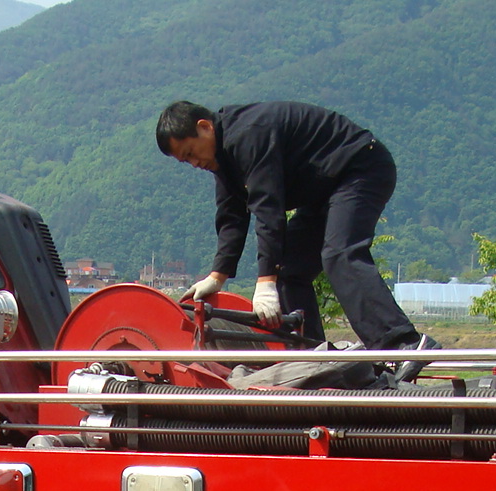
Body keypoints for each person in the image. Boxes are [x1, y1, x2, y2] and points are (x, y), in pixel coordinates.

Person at [157, 98, 438, 378]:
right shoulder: (223, 158)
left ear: (205, 127)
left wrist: (265, 282)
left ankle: (402, 344)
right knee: (288, 269)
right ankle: (315, 361)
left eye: (191, 153)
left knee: (339, 254)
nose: (194, 163)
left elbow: (268, 210)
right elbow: (232, 216)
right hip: (322, 191)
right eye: (186, 161)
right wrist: (217, 276)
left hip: (359, 168)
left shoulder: (248, 134)